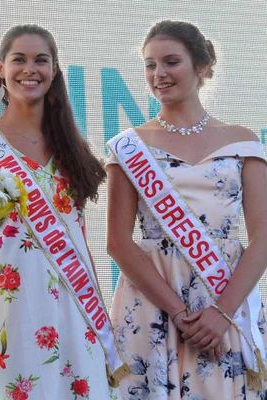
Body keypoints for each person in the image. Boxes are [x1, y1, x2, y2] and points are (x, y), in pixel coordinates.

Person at [107, 20, 267, 399]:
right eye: (150, 65)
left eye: (170, 61)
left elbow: (262, 236)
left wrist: (221, 313)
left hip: (226, 298)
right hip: (153, 302)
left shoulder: (243, 141)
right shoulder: (129, 147)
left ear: (202, 66)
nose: (158, 74)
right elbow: (118, 242)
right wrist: (179, 313)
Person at [0, 24, 126, 400]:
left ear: (54, 71)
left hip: (76, 311)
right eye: (18, 59)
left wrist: (101, 319)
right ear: (0, 67)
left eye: (41, 60)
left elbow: (80, 241)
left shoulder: (71, 149)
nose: (30, 69)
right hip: (13, 309)